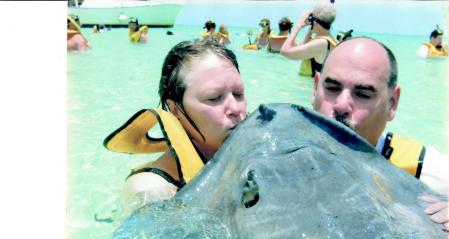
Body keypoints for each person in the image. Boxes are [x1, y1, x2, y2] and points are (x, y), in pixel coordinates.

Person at [312, 36, 449, 229]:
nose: (341, 105)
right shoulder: (283, 151)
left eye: (363, 94)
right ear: (315, 88)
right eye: (332, 88)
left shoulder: (420, 168)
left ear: (392, 103)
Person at [103, 40, 247, 208]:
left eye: (239, 94)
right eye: (214, 98)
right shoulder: (153, 193)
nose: (236, 108)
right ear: (175, 110)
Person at [281, 1, 337, 77]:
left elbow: (285, 51)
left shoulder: (321, 43)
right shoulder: (331, 41)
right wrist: (310, 29)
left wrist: (298, 26)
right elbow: (303, 45)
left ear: (314, 21)